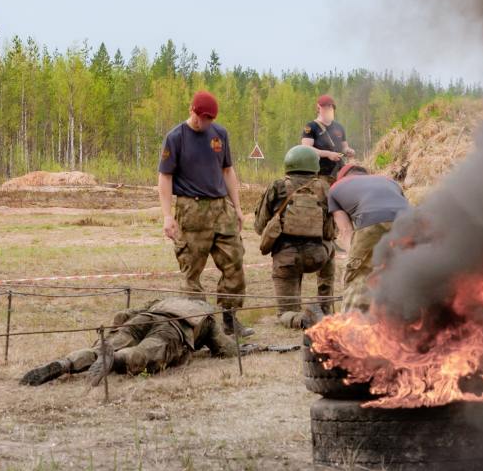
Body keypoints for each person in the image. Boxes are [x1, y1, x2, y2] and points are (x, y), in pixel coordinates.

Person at [157, 90, 253, 337]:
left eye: (210, 119)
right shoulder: (175, 137)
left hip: (222, 209)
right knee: (191, 271)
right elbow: (165, 177)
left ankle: (230, 320)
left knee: (234, 263)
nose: (206, 123)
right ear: (193, 111)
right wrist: (167, 216)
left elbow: (228, 171)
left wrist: (238, 208)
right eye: (203, 118)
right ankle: (195, 326)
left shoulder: (220, 135)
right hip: (191, 210)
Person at [19, 297, 237, 386]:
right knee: (145, 354)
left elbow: (125, 313)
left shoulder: (163, 299)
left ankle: (66, 363)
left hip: (144, 318)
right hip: (172, 329)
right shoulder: (207, 316)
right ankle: (114, 360)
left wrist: (116, 331)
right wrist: (243, 348)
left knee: (101, 349)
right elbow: (225, 349)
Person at [254, 146, 336, 327]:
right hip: (318, 257)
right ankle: (324, 306)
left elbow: (260, 226)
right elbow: (331, 231)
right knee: (331, 249)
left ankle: (301, 319)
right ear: (315, 166)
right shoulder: (324, 188)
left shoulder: (277, 186)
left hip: (286, 260)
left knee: (285, 312)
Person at [328, 164, 409, 311]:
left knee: (358, 277)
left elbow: (346, 230)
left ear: (342, 177)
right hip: (409, 222)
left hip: (371, 221)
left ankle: (351, 326)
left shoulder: (335, 188)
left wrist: (353, 260)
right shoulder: (389, 181)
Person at [301, 94, 356, 185]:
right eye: (326, 107)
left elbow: (344, 147)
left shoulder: (339, 127)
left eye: (331, 107)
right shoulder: (310, 127)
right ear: (319, 108)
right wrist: (328, 154)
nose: (329, 109)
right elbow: (306, 149)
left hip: (339, 173)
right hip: (319, 175)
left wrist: (348, 151)